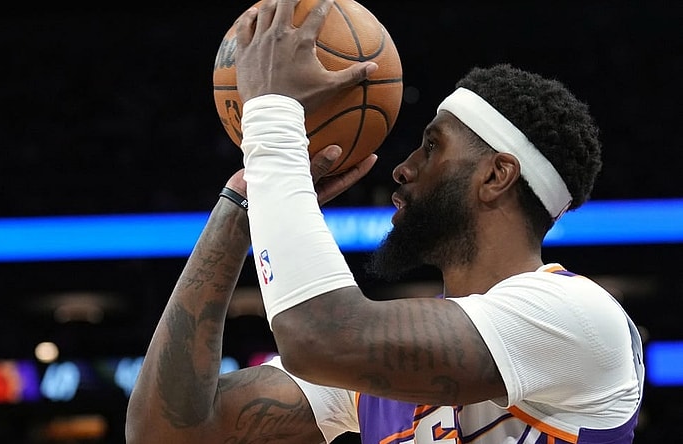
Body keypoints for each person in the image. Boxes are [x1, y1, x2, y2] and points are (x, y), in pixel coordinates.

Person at [126, 0, 645, 443]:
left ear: (496, 175)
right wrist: (243, 204)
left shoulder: (576, 317)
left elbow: (319, 334)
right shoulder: (376, 364)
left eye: (431, 148)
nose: (404, 168)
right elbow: (166, 431)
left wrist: (273, 121)